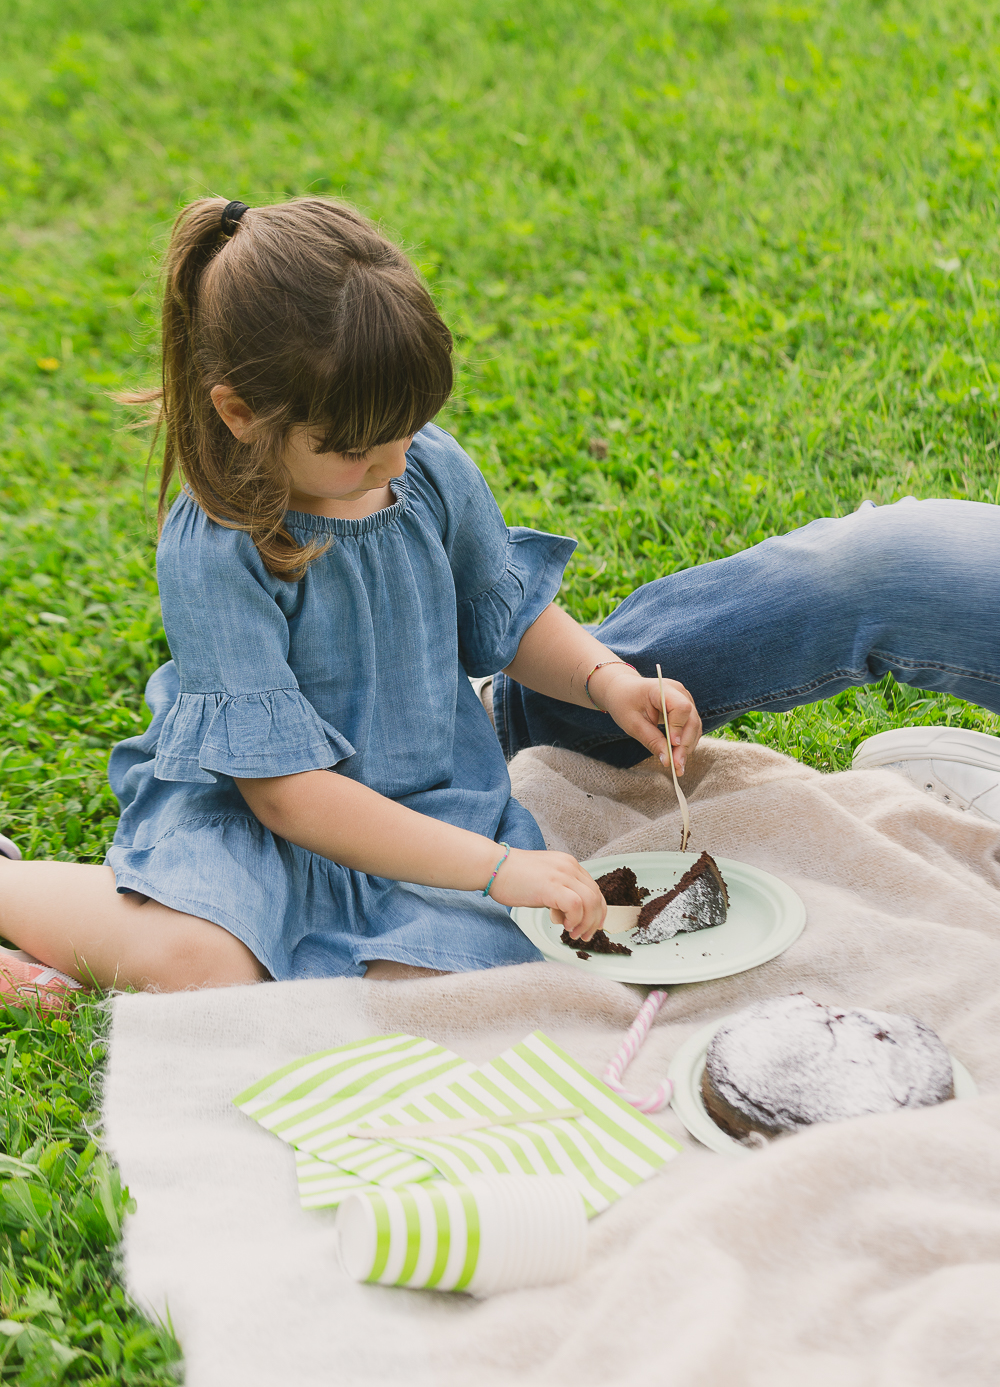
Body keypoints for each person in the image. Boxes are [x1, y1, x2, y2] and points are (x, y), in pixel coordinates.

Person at [0, 195, 700, 1004]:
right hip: (255, 814)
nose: (394, 464)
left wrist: (607, 680)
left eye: (410, 430)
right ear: (240, 415)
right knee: (212, 968)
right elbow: (287, 797)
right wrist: (497, 868)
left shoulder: (421, 466)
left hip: (426, 798)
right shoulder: (219, 545)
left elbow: (505, 617)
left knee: (447, 978)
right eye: (357, 450)